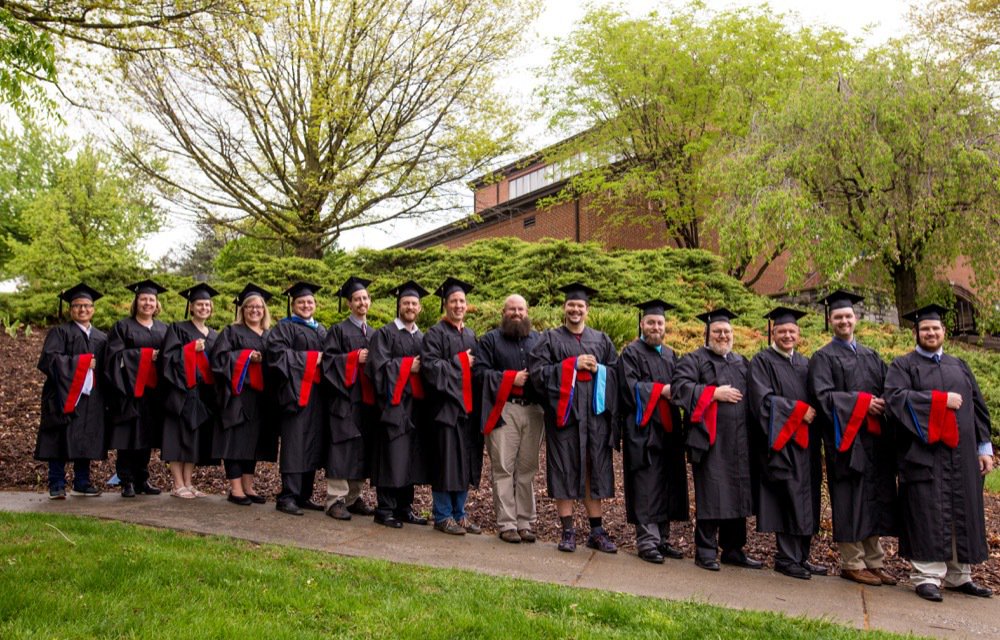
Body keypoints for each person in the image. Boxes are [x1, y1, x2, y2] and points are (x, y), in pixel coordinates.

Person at [884, 304, 994, 602]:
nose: (931, 333)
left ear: (944, 332)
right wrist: (939, 401)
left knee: (963, 511)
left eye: (935, 328)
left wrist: (984, 448)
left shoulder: (959, 366)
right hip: (924, 456)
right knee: (926, 513)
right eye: (925, 329)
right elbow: (895, 400)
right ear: (916, 333)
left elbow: (978, 409)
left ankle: (961, 576)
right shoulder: (902, 366)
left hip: (961, 456)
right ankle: (927, 576)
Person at [807, 290, 897, 586]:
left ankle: (875, 561)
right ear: (830, 320)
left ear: (855, 319)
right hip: (844, 443)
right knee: (850, 500)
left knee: (873, 499)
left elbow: (888, 388)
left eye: (848, 316)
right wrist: (861, 402)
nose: (844, 321)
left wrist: (882, 401)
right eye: (838, 317)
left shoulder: (871, 355)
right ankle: (851, 562)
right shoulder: (823, 357)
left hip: (874, 442)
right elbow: (823, 398)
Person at [529, 282, 618, 553]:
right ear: (564, 308)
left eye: (580, 306)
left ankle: (596, 531)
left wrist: (600, 369)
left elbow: (616, 373)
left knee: (594, 469)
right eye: (571, 305)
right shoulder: (550, 339)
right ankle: (567, 531)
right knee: (565, 468)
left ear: (587, 310)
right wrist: (572, 366)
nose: (575, 309)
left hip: (595, 418)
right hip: (565, 418)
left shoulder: (601, 340)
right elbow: (537, 374)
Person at [671, 308, 760, 572]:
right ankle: (705, 550)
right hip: (710, 441)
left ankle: (734, 549)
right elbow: (679, 389)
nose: (723, 336)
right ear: (707, 334)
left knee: (738, 493)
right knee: (712, 494)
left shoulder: (742, 362)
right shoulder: (693, 360)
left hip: (740, 441)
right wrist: (712, 393)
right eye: (717, 332)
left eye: (727, 332)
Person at [748, 307, 825, 580]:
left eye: (792, 331)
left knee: (808, 499)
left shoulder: (806, 363)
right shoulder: (761, 362)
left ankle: (802, 557)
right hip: (782, 444)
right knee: (788, 498)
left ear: (798, 333)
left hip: (807, 445)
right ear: (773, 332)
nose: (787, 335)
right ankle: (786, 558)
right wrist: (797, 411)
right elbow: (762, 402)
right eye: (782, 331)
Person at [617, 299, 688, 563]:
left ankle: (663, 539)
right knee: (646, 483)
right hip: (643, 429)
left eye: (659, 323)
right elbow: (629, 389)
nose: (655, 327)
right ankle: (647, 541)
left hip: (668, 429)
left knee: (667, 481)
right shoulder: (630, 353)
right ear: (642, 324)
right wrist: (662, 390)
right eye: (651, 322)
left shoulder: (670, 354)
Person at [474, 294, 544, 543]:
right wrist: (508, 378)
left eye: (521, 309)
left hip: (534, 411)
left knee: (527, 469)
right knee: (503, 468)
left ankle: (525, 522)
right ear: (503, 312)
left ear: (527, 311)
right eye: (512, 309)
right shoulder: (490, 340)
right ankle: (507, 524)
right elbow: (480, 374)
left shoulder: (539, 340)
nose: (517, 313)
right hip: (504, 410)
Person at [367, 280, 432, 528]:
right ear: (399, 305)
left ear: (420, 308)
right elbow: (377, 369)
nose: (410, 306)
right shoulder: (384, 334)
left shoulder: (423, 337)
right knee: (392, 456)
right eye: (406, 303)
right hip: (392, 407)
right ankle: (384, 509)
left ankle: (405, 508)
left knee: (411, 457)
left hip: (416, 408)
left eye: (414, 303)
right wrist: (408, 367)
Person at [421, 277, 484, 536]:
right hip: (445, 411)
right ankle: (443, 515)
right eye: (454, 301)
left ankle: (460, 514)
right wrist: (460, 361)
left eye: (462, 301)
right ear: (445, 304)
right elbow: (430, 368)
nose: (459, 305)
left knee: (464, 462)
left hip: (467, 412)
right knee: (446, 462)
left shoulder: (469, 334)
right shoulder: (435, 334)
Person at [35, 283, 108, 499]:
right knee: (59, 437)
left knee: (86, 437)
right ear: (70, 309)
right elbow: (49, 360)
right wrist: (82, 363)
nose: (82, 309)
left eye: (86, 305)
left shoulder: (102, 338)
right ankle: (57, 483)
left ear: (93, 309)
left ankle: (82, 482)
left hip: (91, 398)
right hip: (62, 395)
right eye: (77, 306)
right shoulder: (60, 332)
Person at [211, 283, 279, 505]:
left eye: (259, 307)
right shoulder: (231, 332)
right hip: (237, 397)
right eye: (250, 307)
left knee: (254, 442)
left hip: (262, 399)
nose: (255, 310)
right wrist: (246, 356)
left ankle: (249, 487)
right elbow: (219, 360)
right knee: (235, 441)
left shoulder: (270, 335)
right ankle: (236, 489)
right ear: (243, 310)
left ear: (264, 310)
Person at [266, 282, 327, 516]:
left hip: (317, 396)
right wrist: (311, 359)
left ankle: (304, 495)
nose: (306, 305)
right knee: (294, 444)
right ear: (293, 305)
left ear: (315, 304)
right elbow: (277, 356)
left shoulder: (321, 330)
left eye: (309, 302)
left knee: (312, 443)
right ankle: (287, 495)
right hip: (295, 395)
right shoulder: (284, 328)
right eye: (301, 302)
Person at [105, 279, 169, 498]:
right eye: (143, 299)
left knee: (147, 437)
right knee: (128, 437)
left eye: (151, 299)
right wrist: (143, 356)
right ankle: (126, 480)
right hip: (130, 392)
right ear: (136, 302)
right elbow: (114, 357)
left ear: (157, 303)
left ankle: (142, 479)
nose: (147, 303)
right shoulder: (123, 327)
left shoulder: (164, 328)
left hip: (154, 393)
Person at [321, 276, 377, 520]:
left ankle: (354, 498)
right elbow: (329, 362)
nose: (361, 302)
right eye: (356, 299)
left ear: (370, 302)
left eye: (365, 298)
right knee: (341, 448)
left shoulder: (375, 333)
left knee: (361, 448)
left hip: (366, 401)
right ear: (349, 304)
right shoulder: (338, 330)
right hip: (344, 399)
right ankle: (335, 500)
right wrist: (354, 358)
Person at [160, 283, 220, 498]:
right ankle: (177, 484)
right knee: (177, 437)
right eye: (199, 304)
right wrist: (189, 349)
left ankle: (189, 482)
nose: (204, 308)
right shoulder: (178, 329)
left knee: (194, 437)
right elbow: (167, 359)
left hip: (202, 394)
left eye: (207, 304)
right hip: (180, 392)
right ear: (191, 307)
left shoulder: (214, 335)